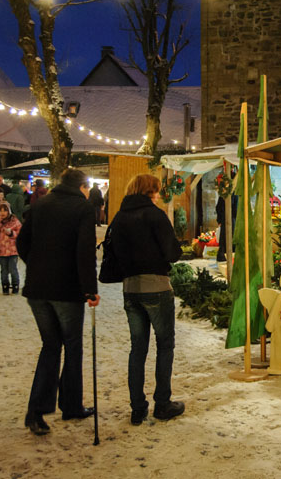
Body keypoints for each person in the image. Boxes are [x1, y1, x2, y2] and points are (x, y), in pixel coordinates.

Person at [17, 168, 99, 436]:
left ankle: (36, 411)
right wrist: (90, 289)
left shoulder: (41, 204)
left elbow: (22, 241)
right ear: (82, 186)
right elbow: (85, 251)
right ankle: (71, 404)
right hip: (66, 289)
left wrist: (37, 265)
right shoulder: (82, 208)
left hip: (37, 288)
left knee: (50, 346)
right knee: (72, 347)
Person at [109, 174, 184, 425]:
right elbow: (172, 252)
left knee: (137, 348)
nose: (159, 194)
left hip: (130, 288)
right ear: (150, 190)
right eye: (157, 190)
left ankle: (137, 407)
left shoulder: (119, 217)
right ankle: (162, 403)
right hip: (156, 286)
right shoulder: (155, 215)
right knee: (165, 345)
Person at [0, 203, 22, 294]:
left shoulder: (15, 221)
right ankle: (5, 286)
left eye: (5, 210)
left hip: (12, 250)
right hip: (1, 251)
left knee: (13, 269)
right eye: (0, 211)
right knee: (4, 270)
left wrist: (11, 233)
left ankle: (15, 285)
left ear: (9, 211)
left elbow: (20, 233)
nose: (2, 213)